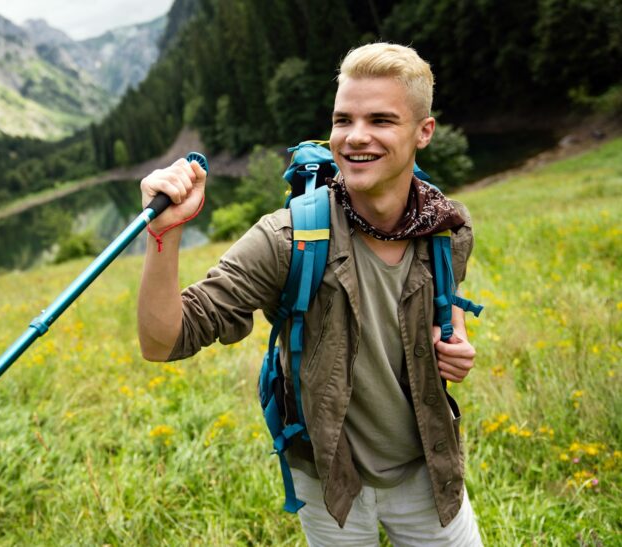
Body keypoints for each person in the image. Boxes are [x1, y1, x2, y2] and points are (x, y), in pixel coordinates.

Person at [137, 42, 482, 546]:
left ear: (423, 131)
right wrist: (164, 234)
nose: (356, 137)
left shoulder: (450, 230)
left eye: (381, 120)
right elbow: (162, 342)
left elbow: (444, 304)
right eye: (344, 120)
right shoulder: (286, 239)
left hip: (429, 470)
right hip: (329, 482)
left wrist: (455, 338)